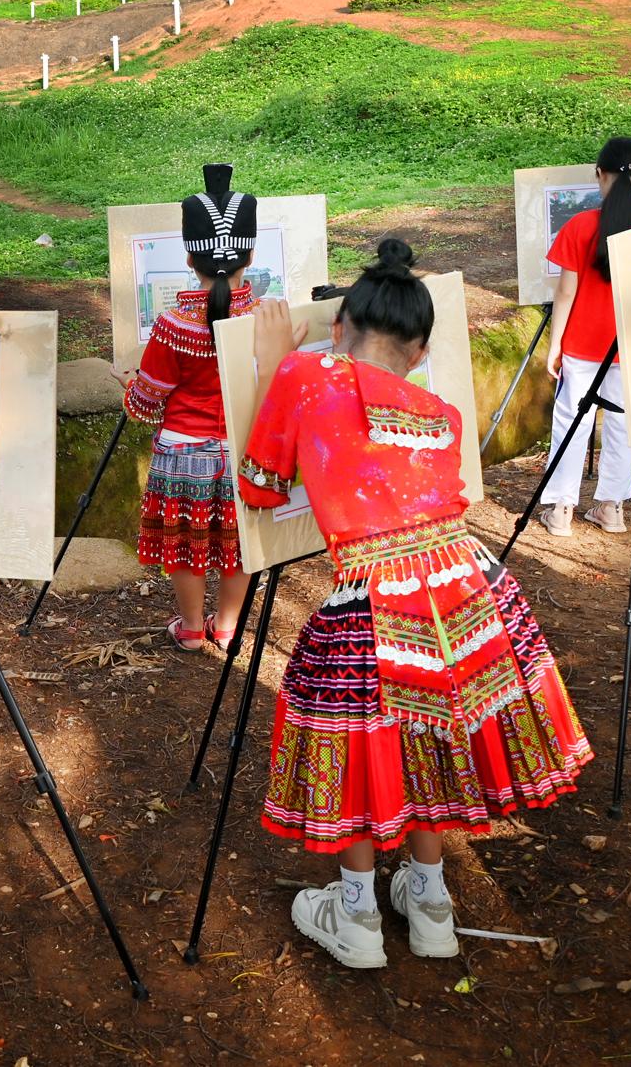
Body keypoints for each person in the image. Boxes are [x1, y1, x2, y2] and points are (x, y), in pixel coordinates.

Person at [239, 239, 593, 970]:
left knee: (360, 737)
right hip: (467, 586)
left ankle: (359, 915)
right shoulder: (440, 412)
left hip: (372, 595)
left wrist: (273, 362)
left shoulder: (305, 375)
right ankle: (431, 905)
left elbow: (259, 486)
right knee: (435, 733)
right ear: (423, 349)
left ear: (337, 330)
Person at [122, 165, 257, 649]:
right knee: (240, 544)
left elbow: (145, 402)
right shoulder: (268, 318)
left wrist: (131, 387)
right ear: (252, 254)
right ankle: (228, 626)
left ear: (187, 256)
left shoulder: (173, 324)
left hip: (182, 453)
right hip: (244, 452)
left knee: (185, 545)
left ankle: (193, 629)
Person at [537, 137, 631, 537]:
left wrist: (555, 344)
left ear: (599, 176)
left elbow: (566, 292)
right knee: (624, 424)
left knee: (572, 421)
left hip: (582, 345)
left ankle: (561, 511)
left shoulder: (578, 226)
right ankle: (612, 508)